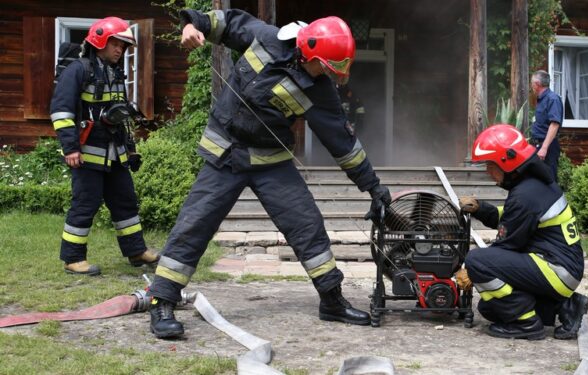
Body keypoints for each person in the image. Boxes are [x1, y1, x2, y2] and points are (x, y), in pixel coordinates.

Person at [147, 8, 391, 338]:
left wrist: (373, 187)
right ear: (310, 51)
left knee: (307, 224)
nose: (330, 75)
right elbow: (225, 22)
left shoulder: (320, 91)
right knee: (195, 223)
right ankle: (162, 301)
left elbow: (343, 144)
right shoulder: (265, 37)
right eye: (327, 66)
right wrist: (191, 25)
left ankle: (332, 301)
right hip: (226, 155)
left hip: (271, 163)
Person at [455, 124, 588, 340]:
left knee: (478, 261)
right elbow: (512, 218)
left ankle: (527, 324)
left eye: (490, 164)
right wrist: (480, 209)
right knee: (489, 308)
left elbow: (505, 244)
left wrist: (471, 270)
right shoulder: (533, 184)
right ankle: (565, 307)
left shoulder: (525, 195)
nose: (488, 172)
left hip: (556, 269)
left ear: (506, 162)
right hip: (561, 268)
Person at [50, 17, 159, 276]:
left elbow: (120, 117)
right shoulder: (78, 70)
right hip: (87, 153)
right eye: (116, 44)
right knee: (85, 203)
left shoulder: (114, 73)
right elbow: (60, 111)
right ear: (100, 40)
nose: (120, 50)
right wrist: (70, 148)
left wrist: (131, 149)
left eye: (123, 46)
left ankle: (136, 251)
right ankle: (73, 258)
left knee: (126, 202)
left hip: (115, 153)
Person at [530, 70, 564, 182]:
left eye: (532, 83)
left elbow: (554, 125)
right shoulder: (542, 99)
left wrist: (544, 148)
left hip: (547, 147)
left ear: (537, 84)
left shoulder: (552, 99)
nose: (531, 87)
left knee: (549, 180)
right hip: (538, 146)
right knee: (538, 180)